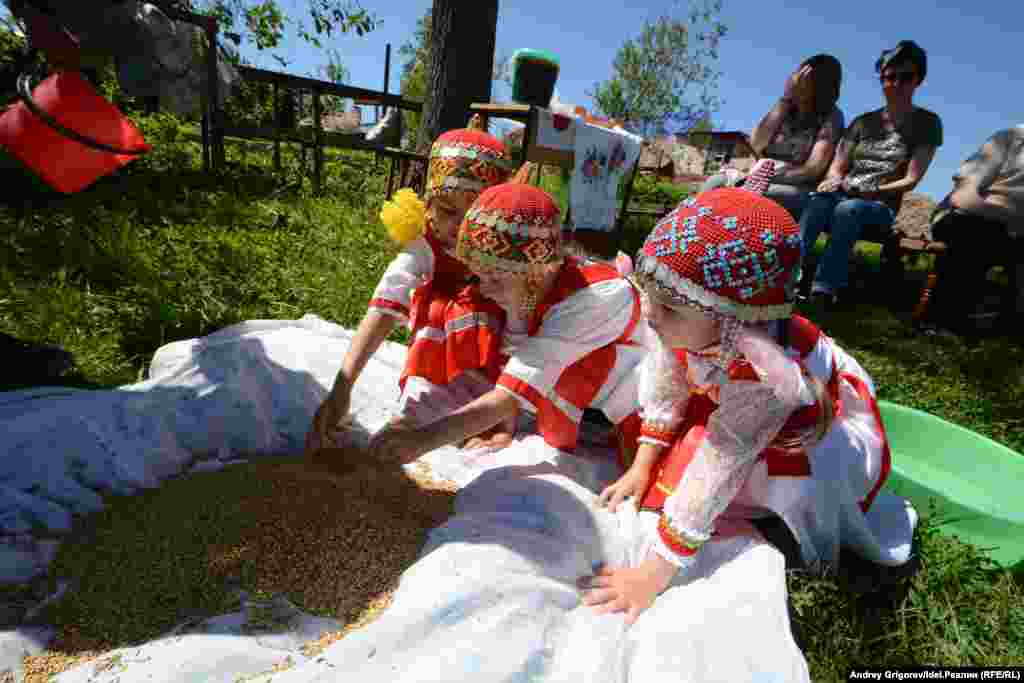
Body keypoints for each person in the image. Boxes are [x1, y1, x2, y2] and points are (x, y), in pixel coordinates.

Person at [581, 183, 915, 623]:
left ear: (733, 319)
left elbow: (721, 463)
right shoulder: (682, 313)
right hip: (726, 384)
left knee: (740, 475)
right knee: (678, 434)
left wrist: (652, 573)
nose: (649, 315)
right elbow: (667, 382)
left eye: (669, 309)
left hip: (800, 426)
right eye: (650, 295)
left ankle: (780, 523)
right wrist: (643, 465)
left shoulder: (765, 375)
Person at [364, 180, 646, 467]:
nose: (484, 290)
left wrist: (422, 440)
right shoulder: (527, 287)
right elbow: (515, 356)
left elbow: (511, 392)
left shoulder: (596, 298)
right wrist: (503, 424)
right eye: (479, 277)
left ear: (534, 273)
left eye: (495, 279)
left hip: (630, 409)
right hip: (579, 395)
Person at [306, 116, 515, 459]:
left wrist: (507, 413)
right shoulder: (425, 248)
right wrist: (342, 388)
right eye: (448, 211)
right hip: (436, 365)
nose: (459, 227)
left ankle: (485, 414)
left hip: (497, 371)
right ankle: (432, 411)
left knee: (489, 306)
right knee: (438, 309)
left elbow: (524, 333)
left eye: (473, 214)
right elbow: (384, 308)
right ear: (429, 204)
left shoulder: (507, 253)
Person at [799, 40, 942, 305]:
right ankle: (787, 276)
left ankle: (824, 288)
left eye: (905, 77)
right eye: (889, 77)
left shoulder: (927, 123)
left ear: (918, 80)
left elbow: (911, 179)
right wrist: (833, 180)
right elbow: (838, 166)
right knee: (817, 202)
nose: (896, 84)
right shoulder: (863, 122)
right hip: (844, 195)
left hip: (880, 206)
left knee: (849, 209)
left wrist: (874, 191)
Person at [701, 54, 844, 220]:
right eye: (799, 77)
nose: (801, 83)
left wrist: (763, 177)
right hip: (758, 174)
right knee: (715, 182)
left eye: (809, 80)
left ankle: (731, 239)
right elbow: (756, 144)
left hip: (796, 185)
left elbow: (812, 169)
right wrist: (785, 99)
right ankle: (693, 235)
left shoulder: (832, 116)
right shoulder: (784, 108)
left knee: (753, 194)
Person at [923, 125, 1024, 332]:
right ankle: (942, 321)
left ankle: (1000, 319)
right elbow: (964, 197)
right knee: (978, 232)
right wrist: (1006, 220)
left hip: (1014, 230)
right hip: (970, 217)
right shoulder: (1012, 138)